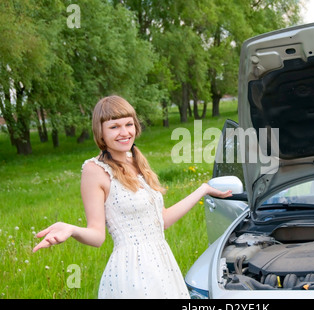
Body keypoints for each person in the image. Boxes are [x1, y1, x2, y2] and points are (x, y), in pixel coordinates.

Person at [32, 95, 231, 298]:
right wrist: (71, 229)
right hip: (132, 272)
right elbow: (97, 236)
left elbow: (161, 221)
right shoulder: (94, 170)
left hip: (163, 266)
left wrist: (203, 189)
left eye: (129, 124)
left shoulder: (136, 161)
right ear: (100, 132)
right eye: (114, 127)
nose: (124, 132)